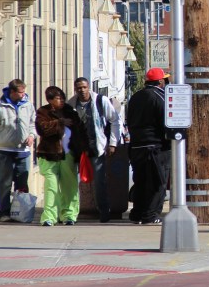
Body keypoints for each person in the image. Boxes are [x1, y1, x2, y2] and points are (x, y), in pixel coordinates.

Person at [67, 78, 121, 223]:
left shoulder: (100, 101)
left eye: (84, 87)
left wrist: (113, 143)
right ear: (75, 89)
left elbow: (115, 120)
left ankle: (104, 211)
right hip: (77, 149)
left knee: (99, 182)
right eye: (79, 88)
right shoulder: (71, 104)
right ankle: (70, 213)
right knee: (72, 182)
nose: (82, 90)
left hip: (96, 148)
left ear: (88, 87)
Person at [0, 79, 36, 222]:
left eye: (24, 91)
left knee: (22, 182)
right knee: (4, 182)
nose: (23, 94)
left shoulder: (28, 105)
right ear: (12, 92)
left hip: (23, 151)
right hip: (4, 150)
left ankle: (20, 211)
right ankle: (4, 211)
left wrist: (31, 136)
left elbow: (32, 124)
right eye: (20, 92)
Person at [35, 86, 88, 226]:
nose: (62, 101)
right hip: (49, 155)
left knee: (69, 186)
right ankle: (49, 217)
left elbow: (81, 131)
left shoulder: (70, 112)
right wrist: (59, 123)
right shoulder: (43, 112)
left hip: (68, 154)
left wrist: (83, 149)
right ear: (50, 100)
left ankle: (69, 214)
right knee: (51, 186)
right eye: (58, 98)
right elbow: (42, 129)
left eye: (63, 98)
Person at [126, 67, 171, 225]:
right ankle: (151, 215)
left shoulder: (135, 97)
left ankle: (137, 214)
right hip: (156, 147)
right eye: (165, 80)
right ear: (160, 81)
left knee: (141, 181)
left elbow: (129, 120)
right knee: (159, 183)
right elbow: (167, 122)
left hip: (137, 146)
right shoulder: (161, 96)